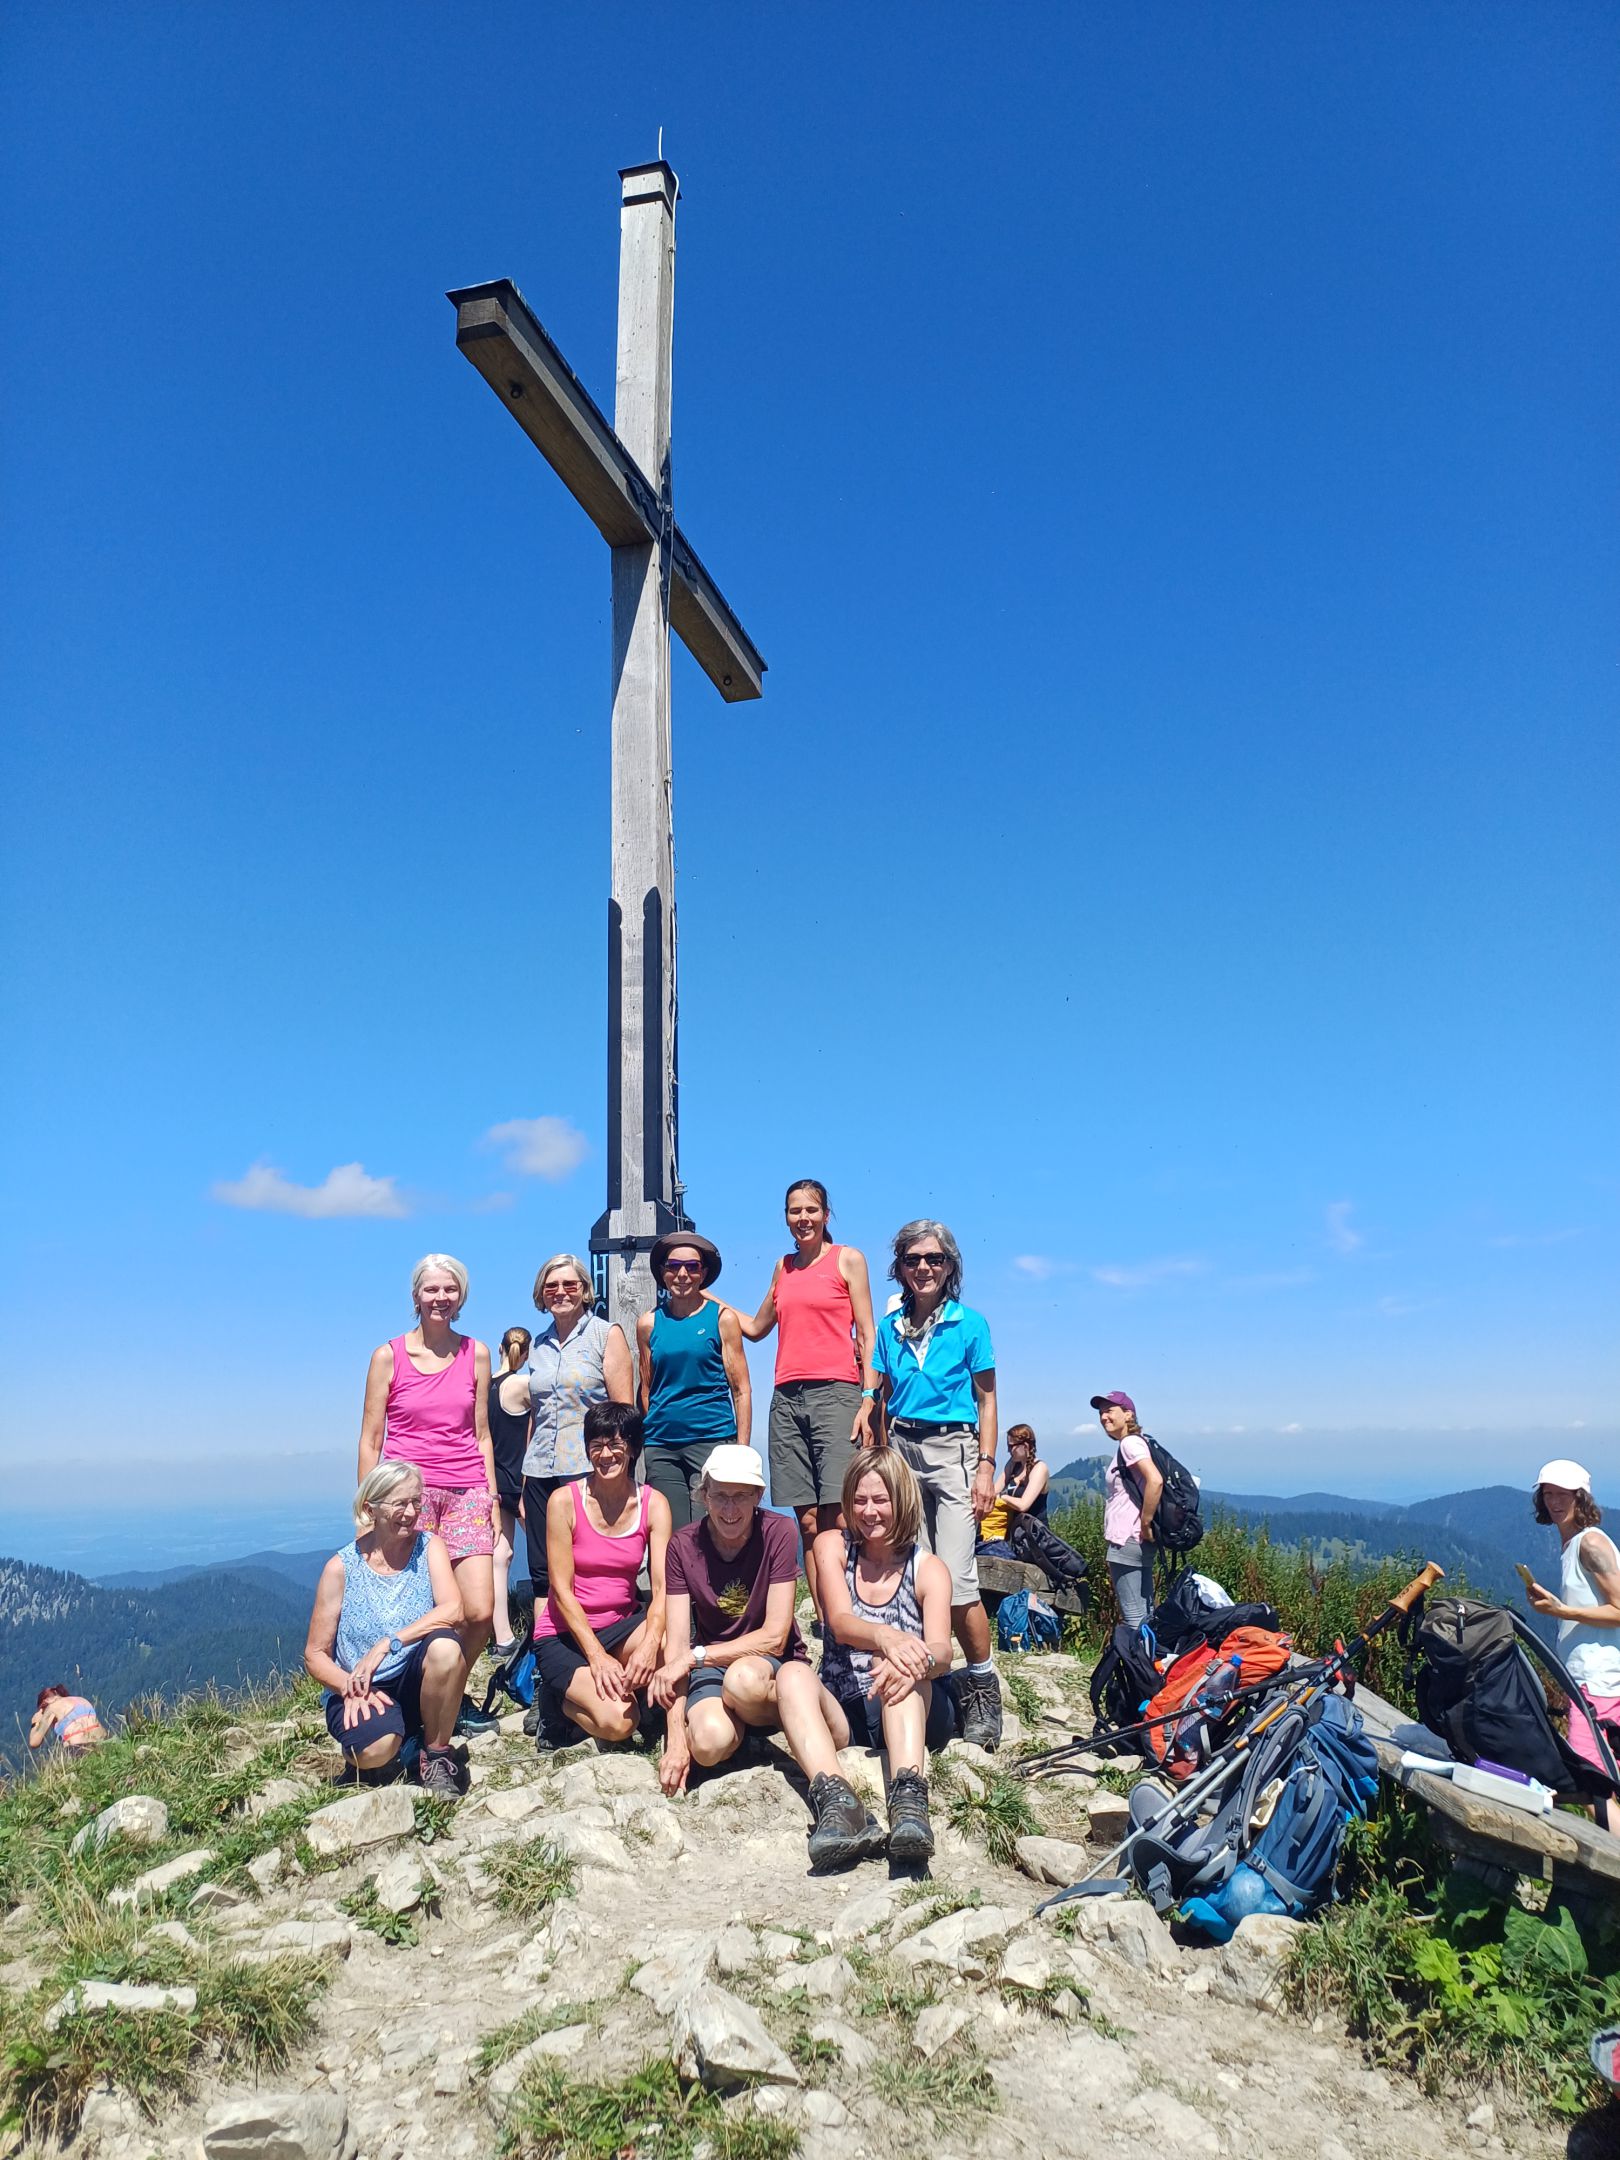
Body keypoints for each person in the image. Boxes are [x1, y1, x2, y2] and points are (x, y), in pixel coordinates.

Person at [650, 1443, 885, 1869]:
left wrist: (697, 1656)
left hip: (766, 1669)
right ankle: (767, 1728)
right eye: (720, 1494)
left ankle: (824, 1773)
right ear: (703, 1495)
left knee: (742, 1679)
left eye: (741, 1495)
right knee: (707, 1742)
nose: (730, 1508)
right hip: (715, 1671)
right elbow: (676, 1647)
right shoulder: (683, 1546)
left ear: (759, 1497)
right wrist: (675, 1738)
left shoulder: (778, 1532)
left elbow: (775, 1636)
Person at [870, 1219, 1003, 1748]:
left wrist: (987, 1465)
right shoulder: (889, 1329)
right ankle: (935, 1688)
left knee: (956, 1580)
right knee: (914, 1575)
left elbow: (988, 1399)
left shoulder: (970, 1325)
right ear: (899, 1268)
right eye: (913, 1259)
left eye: (935, 1259)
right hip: (901, 1450)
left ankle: (982, 1684)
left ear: (950, 1267)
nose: (924, 1268)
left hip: (954, 1451)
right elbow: (879, 1399)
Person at [734, 1180, 878, 1615]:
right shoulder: (783, 1267)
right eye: (794, 1211)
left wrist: (868, 1398)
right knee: (808, 1520)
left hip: (837, 1393)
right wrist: (708, 1300)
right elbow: (758, 1328)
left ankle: (853, 1611)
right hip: (787, 1398)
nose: (803, 1218)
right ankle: (827, 1618)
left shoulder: (847, 1260)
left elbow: (868, 1333)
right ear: (786, 1218)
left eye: (811, 1210)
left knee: (839, 1517)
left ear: (826, 1215)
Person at [814, 1448, 955, 1860]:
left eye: (881, 1500)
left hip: (916, 1706)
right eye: (860, 1500)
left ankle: (909, 1802)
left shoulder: (928, 1569)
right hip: (849, 1704)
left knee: (894, 1667)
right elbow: (839, 1621)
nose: (869, 1512)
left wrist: (913, 1661)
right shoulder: (834, 1548)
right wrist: (888, 1636)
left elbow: (943, 1650)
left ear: (902, 1500)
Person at [357, 1254, 497, 1666]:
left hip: (466, 1490)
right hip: (406, 1497)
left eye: (450, 1289)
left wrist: (490, 1494)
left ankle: (449, 1692)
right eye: (432, 1289)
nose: (441, 1298)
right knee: (415, 1610)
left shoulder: (478, 1353)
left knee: (478, 1611)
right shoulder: (388, 1356)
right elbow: (370, 1440)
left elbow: (482, 1432)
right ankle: (419, 1696)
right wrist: (369, 1506)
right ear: (416, 1296)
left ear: (462, 1297)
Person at [304, 1462, 469, 1794]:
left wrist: (390, 1642)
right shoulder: (341, 1568)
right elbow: (315, 1654)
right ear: (371, 1508)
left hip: (413, 1677)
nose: (410, 1512)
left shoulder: (429, 1548)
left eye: (416, 1502)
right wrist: (347, 1687)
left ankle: (435, 1754)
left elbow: (454, 1609)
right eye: (400, 1503)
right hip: (362, 1688)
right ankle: (384, 1746)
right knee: (376, 1752)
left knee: (446, 1648)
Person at [535, 1402, 672, 1744]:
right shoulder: (563, 1502)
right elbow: (561, 1591)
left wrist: (651, 1642)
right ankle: (556, 1704)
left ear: (633, 1448)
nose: (606, 1454)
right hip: (565, 1633)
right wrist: (596, 1657)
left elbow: (663, 1587)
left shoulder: (654, 1504)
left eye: (616, 1444)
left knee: (671, 1644)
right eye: (596, 1445)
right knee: (619, 1724)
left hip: (621, 1625)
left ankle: (633, 1692)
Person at [522, 1255, 634, 1599]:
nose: (560, 1292)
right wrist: (525, 1476)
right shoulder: (537, 1346)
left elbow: (623, 1412)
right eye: (551, 1286)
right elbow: (536, 1411)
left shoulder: (605, 1334)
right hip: (540, 1469)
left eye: (570, 1285)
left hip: (587, 1467)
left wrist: (618, 1471)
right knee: (543, 1571)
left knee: (583, 1563)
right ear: (541, 1294)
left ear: (585, 1291)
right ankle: (546, 1644)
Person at [1526, 1458, 1620, 1832]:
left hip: (1595, 1683)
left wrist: (1562, 1610)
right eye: (1548, 1493)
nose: (1554, 1501)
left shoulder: (1591, 1542)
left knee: (1591, 1785)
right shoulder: (1574, 1544)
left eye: (1563, 1494)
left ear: (1581, 1497)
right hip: (1589, 1681)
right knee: (1598, 1782)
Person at [637, 1233, 751, 1531]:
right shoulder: (648, 1324)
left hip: (712, 1439)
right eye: (673, 1266)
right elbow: (647, 1387)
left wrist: (741, 1449)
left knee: (712, 1531)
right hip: (662, 1447)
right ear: (663, 1273)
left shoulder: (723, 1319)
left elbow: (741, 1390)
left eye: (692, 1266)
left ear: (704, 1273)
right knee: (670, 1535)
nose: (682, 1274)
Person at [1096, 1390, 1163, 1630]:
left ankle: (1141, 1665)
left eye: (1109, 1410)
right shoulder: (1141, 1441)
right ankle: (1151, 1663)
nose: (1104, 1417)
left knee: (1134, 1616)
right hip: (1139, 1538)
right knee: (1146, 1614)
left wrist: (1145, 1522)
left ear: (1128, 1414)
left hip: (1127, 1537)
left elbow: (1155, 1480)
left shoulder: (1129, 1443)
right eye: (1101, 1412)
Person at [488, 1325, 533, 1655]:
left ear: (500, 1348)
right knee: (553, 1554)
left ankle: (501, 1635)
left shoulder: (486, 1385)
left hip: (495, 1480)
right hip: (524, 1481)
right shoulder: (524, 1385)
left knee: (499, 1557)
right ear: (527, 1353)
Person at [28, 1685, 105, 1755]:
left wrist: (35, 1723)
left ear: (45, 1702)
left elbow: (34, 1743)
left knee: (67, 1746)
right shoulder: (81, 1700)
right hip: (104, 1742)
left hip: (80, 1748)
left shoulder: (51, 1708)